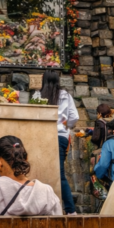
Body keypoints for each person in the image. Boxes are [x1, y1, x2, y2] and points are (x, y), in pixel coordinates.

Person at [36, 69, 79, 215]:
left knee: (40, 171)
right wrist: (65, 125)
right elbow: (74, 117)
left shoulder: (38, 95)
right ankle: (70, 210)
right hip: (61, 136)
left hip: (43, 136)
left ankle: (42, 207)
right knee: (60, 173)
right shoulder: (66, 95)